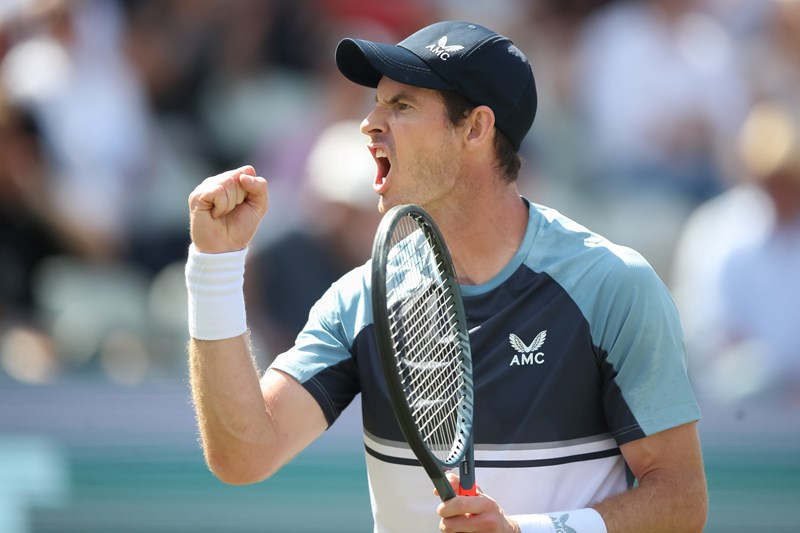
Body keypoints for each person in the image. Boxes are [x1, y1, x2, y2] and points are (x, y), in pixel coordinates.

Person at [185, 21, 707, 533]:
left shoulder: (613, 286)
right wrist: (215, 266)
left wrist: (529, 532)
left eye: (402, 105)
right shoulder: (362, 299)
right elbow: (243, 455)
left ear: (476, 128)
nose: (369, 123)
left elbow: (680, 501)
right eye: (377, 101)